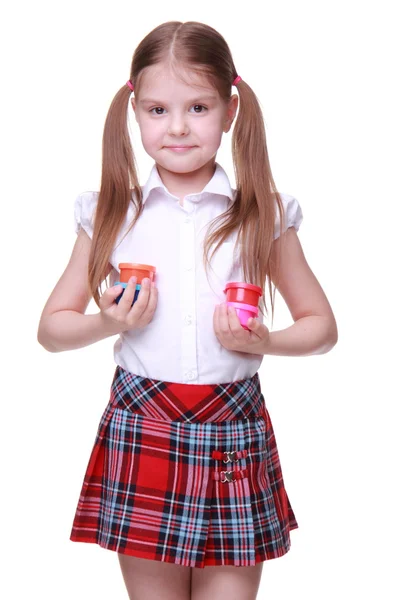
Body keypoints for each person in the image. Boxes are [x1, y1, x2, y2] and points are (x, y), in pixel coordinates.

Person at [37, 20, 338, 600]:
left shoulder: (264, 214)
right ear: (134, 111)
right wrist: (109, 323)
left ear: (230, 110)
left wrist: (263, 342)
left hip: (233, 431)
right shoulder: (108, 213)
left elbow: (322, 327)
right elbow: (51, 330)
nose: (177, 127)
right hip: (142, 428)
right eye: (157, 110)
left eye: (198, 107)